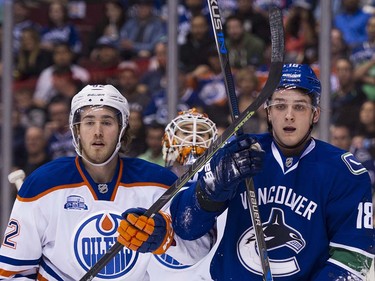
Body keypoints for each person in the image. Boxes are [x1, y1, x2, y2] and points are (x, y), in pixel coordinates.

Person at [168, 64, 374, 280]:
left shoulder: (345, 172)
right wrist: (212, 189)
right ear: (268, 112)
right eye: (280, 106)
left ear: (315, 114)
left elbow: (353, 258)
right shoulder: (234, 153)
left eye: (300, 107)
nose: (289, 116)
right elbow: (186, 227)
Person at [0, 84, 210, 280]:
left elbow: (200, 251)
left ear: (122, 130)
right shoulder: (42, 184)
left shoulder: (159, 183)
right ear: (77, 130)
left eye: (107, 122)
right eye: (89, 122)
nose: (97, 131)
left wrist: (166, 237)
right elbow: (11, 272)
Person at [147, 108, 218, 280]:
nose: (193, 137)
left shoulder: (222, 184)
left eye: (201, 132)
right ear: (169, 140)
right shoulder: (150, 180)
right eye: (185, 131)